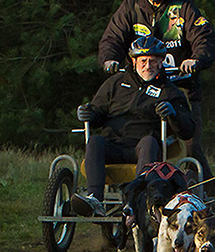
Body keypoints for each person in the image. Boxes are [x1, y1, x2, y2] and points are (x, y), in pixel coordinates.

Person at [98, 0, 215, 196]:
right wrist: (109, 59)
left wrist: (196, 59)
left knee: (192, 147)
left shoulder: (183, 7)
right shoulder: (130, 6)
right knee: (125, 136)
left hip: (179, 88)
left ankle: (210, 201)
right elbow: (112, 37)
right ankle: (130, 195)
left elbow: (203, 37)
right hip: (140, 87)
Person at [72, 36, 193, 217]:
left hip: (144, 147)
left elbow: (188, 130)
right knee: (95, 141)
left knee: (149, 142)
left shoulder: (170, 91)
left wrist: (173, 114)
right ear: (134, 61)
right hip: (114, 144)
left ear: (162, 62)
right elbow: (97, 113)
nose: (147, 65)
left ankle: (138, 198)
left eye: (153, 61)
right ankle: (94, 199)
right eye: (143, 61)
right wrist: (89, 114)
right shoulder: (115, 83)